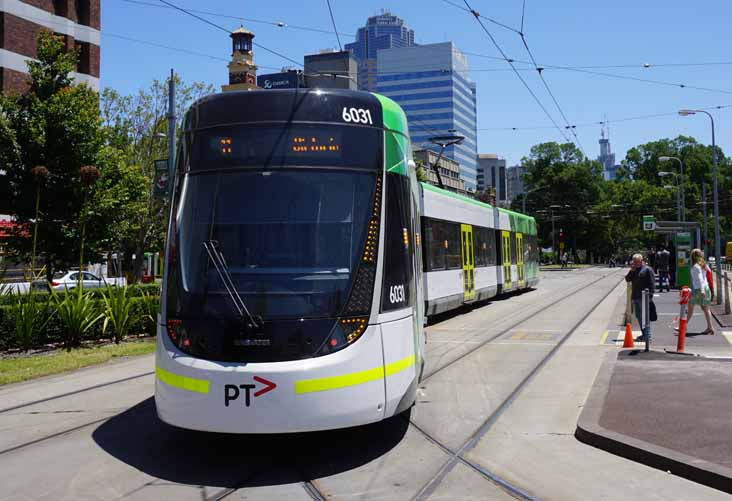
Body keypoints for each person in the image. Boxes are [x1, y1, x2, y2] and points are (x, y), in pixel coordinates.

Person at [625, 253, 655, 342]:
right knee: (638, 316)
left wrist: (650, 296)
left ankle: (647, 336)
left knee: (645, 317)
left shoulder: (647, 270)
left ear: (641, 261)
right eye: (634, 261)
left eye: (637, 261)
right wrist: (632, 270)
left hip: (644, 297)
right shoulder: (634, 270)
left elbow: (652, 284)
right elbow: (627, 279)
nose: (635, 263)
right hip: (636, 296)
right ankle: (644, 334)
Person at [686, 248, 715, 335]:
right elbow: (708, 272)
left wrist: (701, 290)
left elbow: (700, 279)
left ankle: (683, 326)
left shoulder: (696, 266)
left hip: (699, 290)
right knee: (706, 308)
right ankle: (710, 327)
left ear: (692, 256)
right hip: (705, 288)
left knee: (690, 307)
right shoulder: (703, 265)